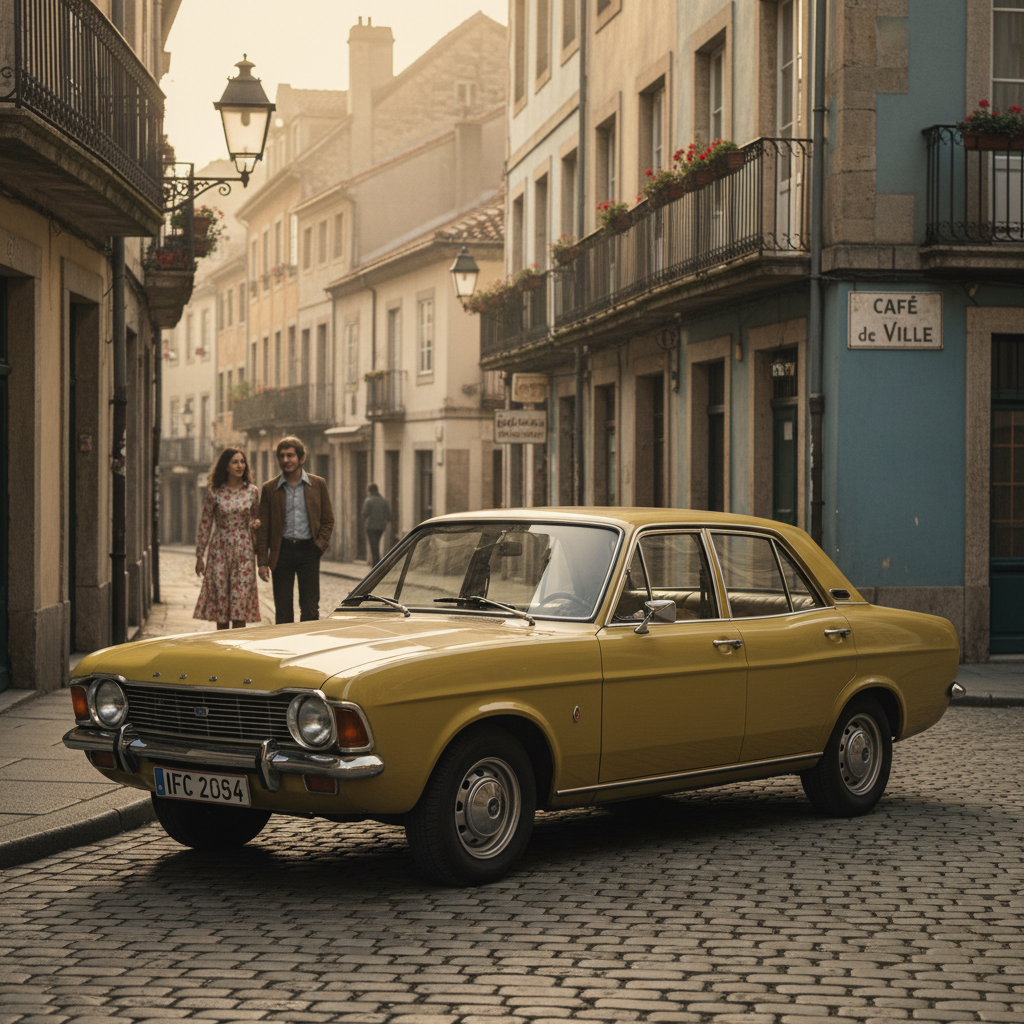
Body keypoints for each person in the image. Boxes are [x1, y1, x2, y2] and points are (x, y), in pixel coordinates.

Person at [256, 435, 335, 623]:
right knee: (282, 610)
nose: (286, 460)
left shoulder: (318, 484)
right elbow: (263, 527)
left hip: (309, 551)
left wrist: (319, 546)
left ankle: (308, 648)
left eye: (290, 455)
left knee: (310, 608)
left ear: (302, 458)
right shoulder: (270, 489)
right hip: (281, 552)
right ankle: (286, 650)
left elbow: (328, 519)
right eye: (282, 456)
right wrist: (262, 561)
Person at [194, 447, 261, 630]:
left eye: (242, 461)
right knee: (221, 604)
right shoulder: (215, 492)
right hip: (219, 551)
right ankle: (222, 649)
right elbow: (205, 523)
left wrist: (256, 524)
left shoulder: (252, 491)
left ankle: (238, 650)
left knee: (241, 602)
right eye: (235, 462)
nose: (240, 465)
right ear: (226, 466)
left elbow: (256, 518)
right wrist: (199, 555)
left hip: (243, 552)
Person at [362, 483, 391, 566]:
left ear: (370, 491)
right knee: (376, 544)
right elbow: (389, 515)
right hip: (381, 526)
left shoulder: (368, 500)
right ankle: (377, 563)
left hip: (371, 526)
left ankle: (376, 565)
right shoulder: (384, 501)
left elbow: (364, 513)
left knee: (373, 546)